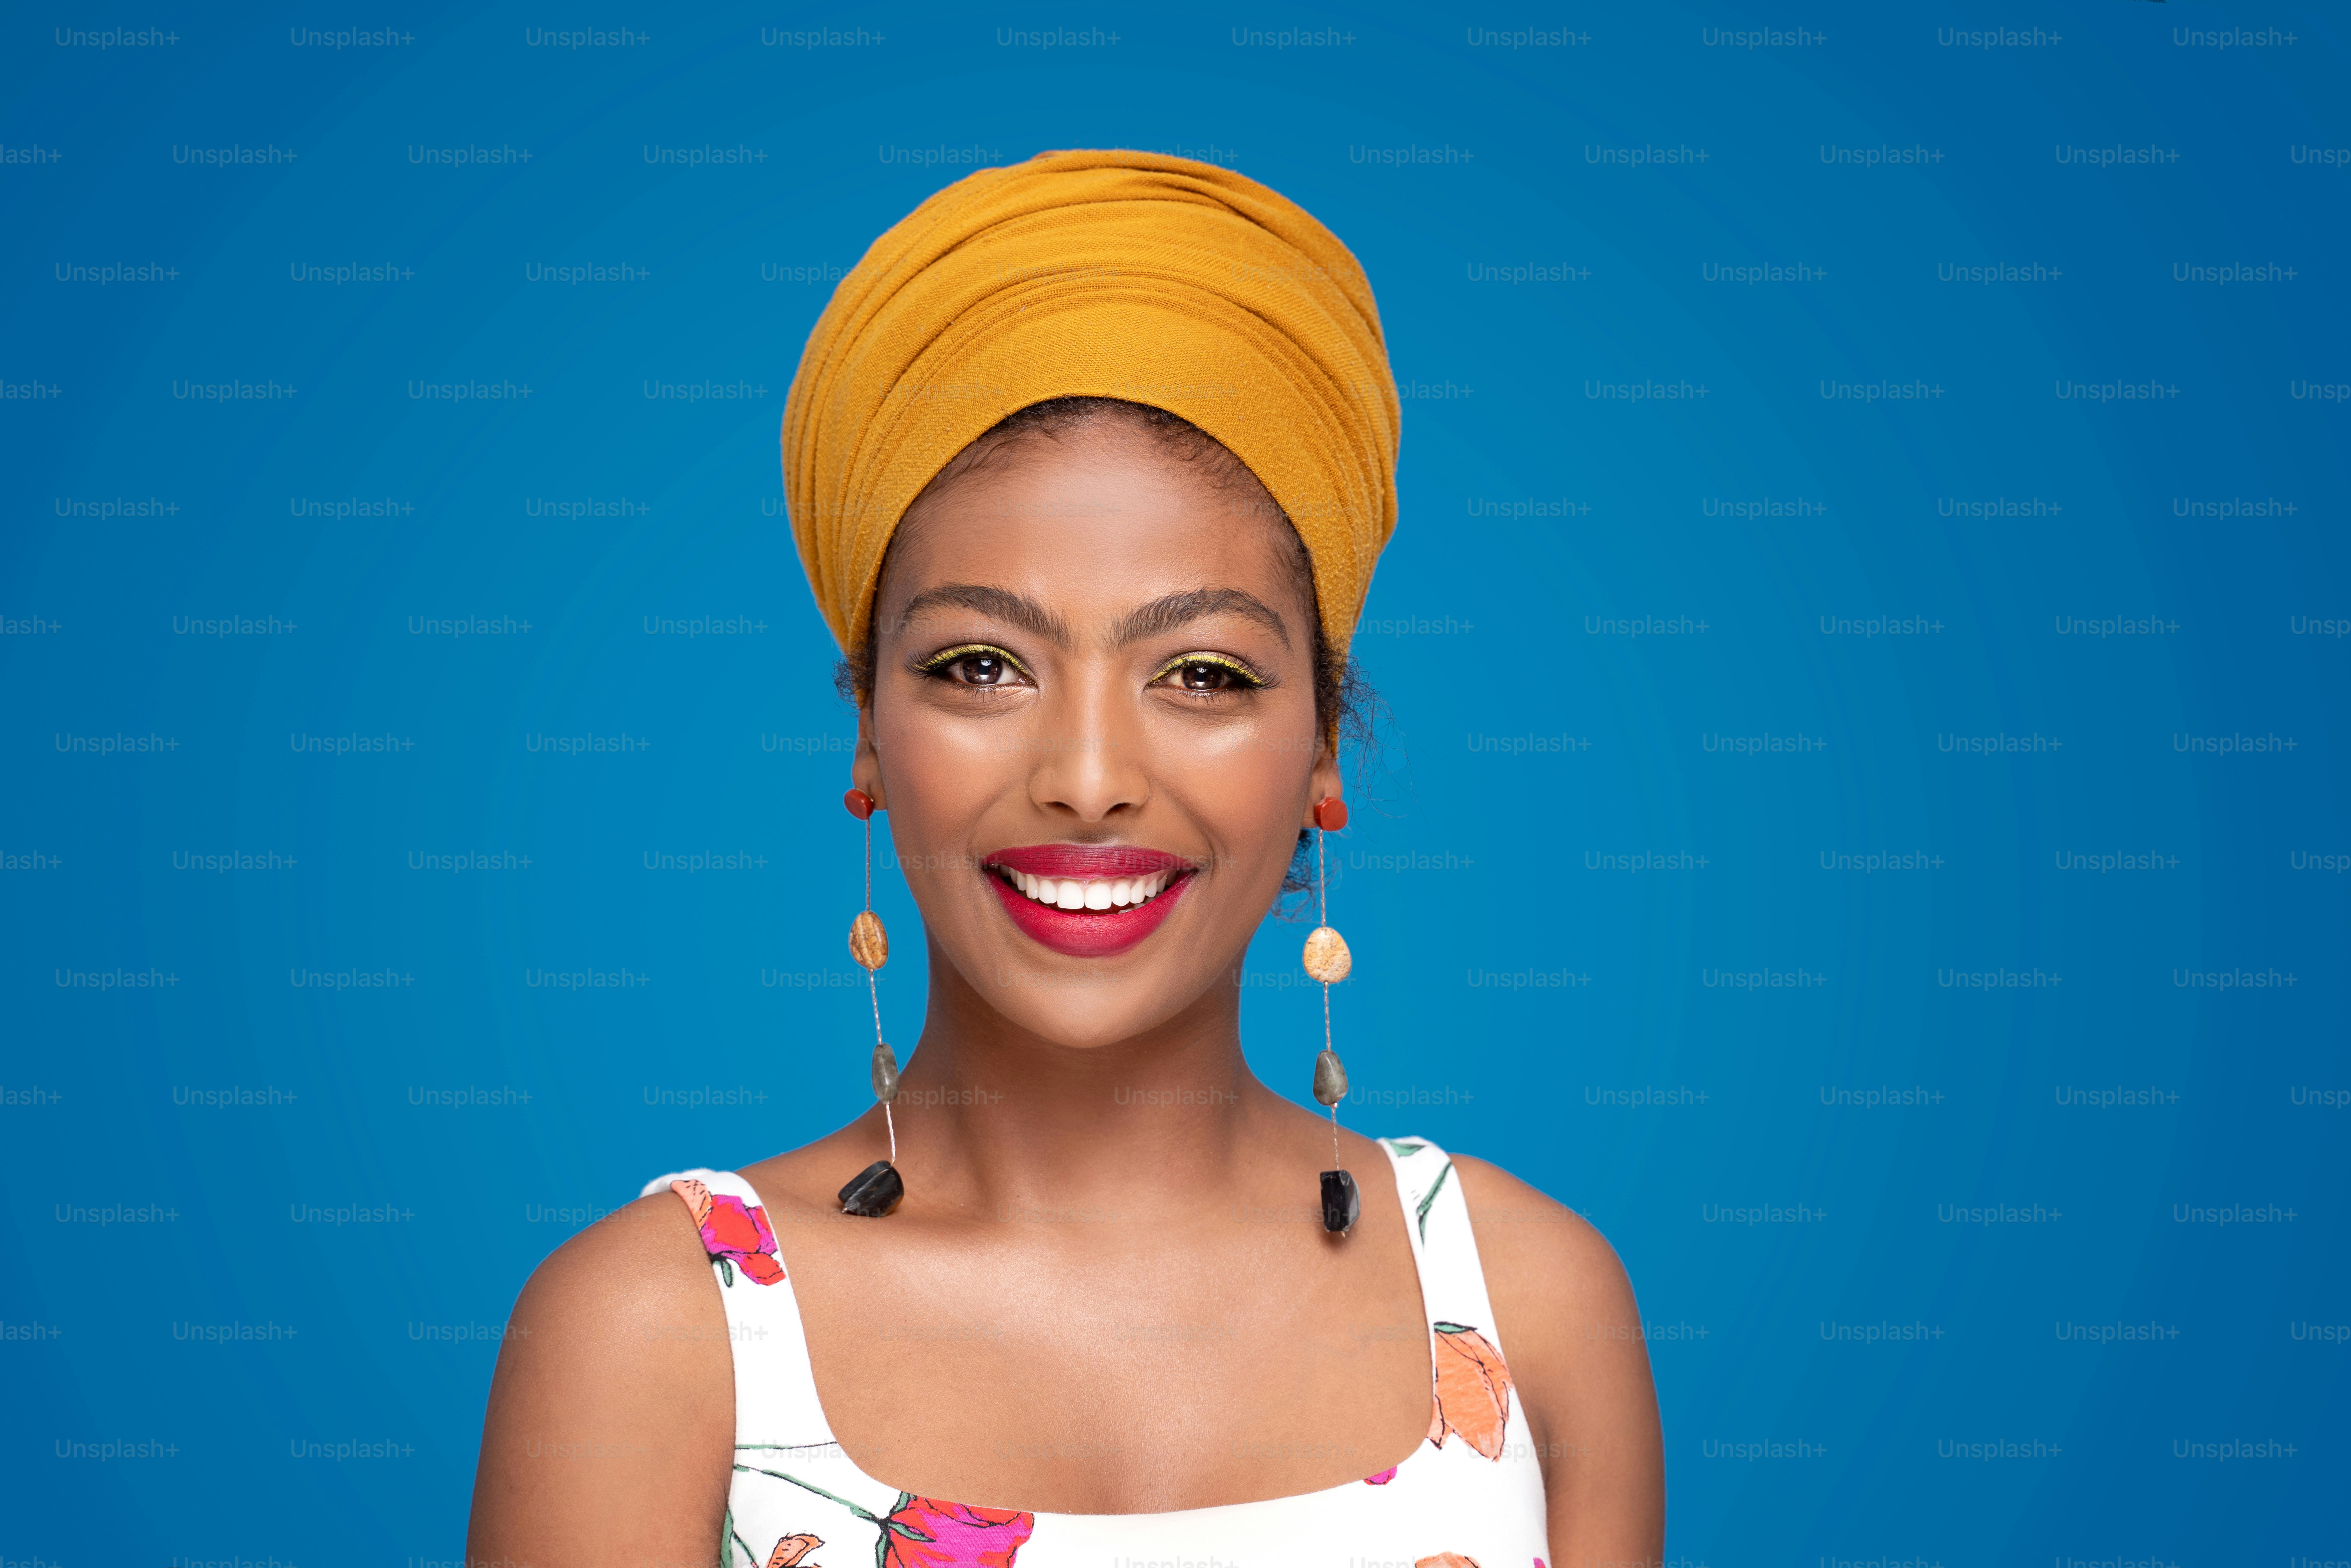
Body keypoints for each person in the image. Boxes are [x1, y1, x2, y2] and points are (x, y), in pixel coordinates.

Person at [468, 149, 1663, 1568]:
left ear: (1323, 751)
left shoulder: (1530, 1305)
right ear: (866, 737)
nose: (1088, 780)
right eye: (981, 665)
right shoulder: (658, 1333)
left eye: (1204, 674)